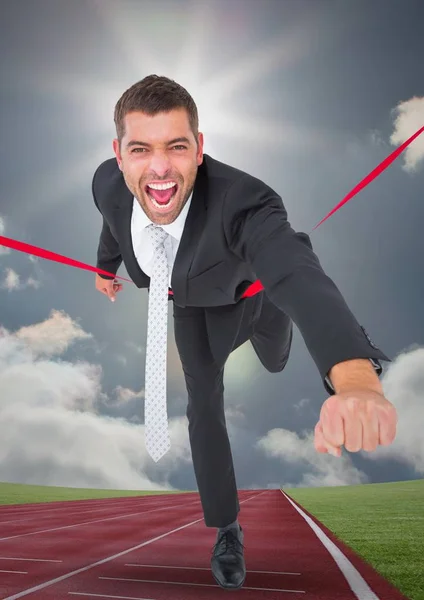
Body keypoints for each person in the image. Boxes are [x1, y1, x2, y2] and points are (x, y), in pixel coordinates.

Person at [92, 74, 397, 590]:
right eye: (140, 149)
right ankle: (227, 529)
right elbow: (113, 219)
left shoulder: (245, 201)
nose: (160, 167)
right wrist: (105, 268)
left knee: (276, 358)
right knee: (202, 407)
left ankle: (274, 335)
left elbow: (297, 274)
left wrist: (357, 381)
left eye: (177, 147)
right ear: (119, 154)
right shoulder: (108, 182)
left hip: (259, 299)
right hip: (189, 307)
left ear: (200, 149)